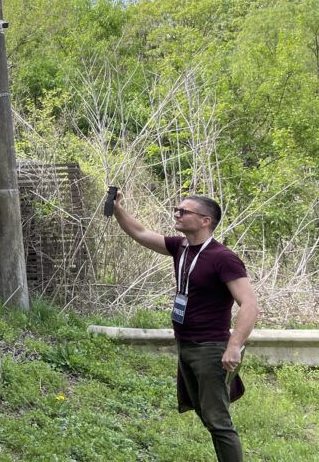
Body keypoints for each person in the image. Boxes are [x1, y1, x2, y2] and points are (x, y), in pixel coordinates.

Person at [111, 190, 259, 462]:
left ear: (205, 220)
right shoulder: (180, 247)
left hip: (211, 348)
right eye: (176, 209)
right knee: (206, 414)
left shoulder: (223, 257)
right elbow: (141, 232)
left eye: (183, 211)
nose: (176, 214)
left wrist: (234, 347)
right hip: (187, 344)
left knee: (218, 421)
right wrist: (118, 208)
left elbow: (250, 304)